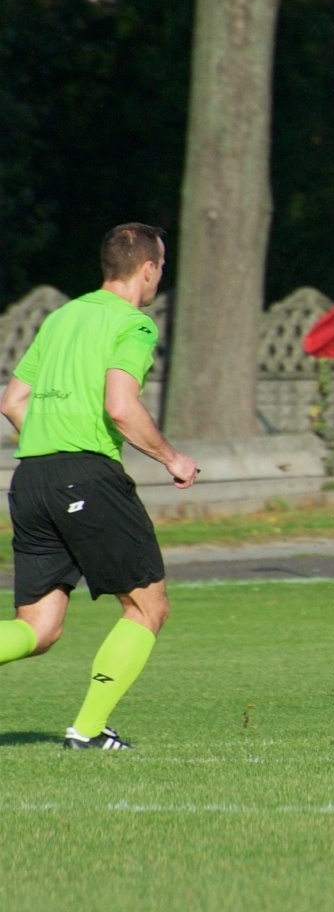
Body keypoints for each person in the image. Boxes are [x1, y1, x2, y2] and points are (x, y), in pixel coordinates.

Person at [0, 223, 199, 749]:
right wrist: (172, 458)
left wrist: (54, 443)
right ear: (149, 268)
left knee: (37, 629)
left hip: (32, 477)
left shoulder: (62, 317)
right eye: (161, 267)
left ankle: (89, 730)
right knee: (147, 606)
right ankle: (88, 731)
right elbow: (120, 405)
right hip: (85, 475)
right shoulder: (132, 325)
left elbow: (12, 401)